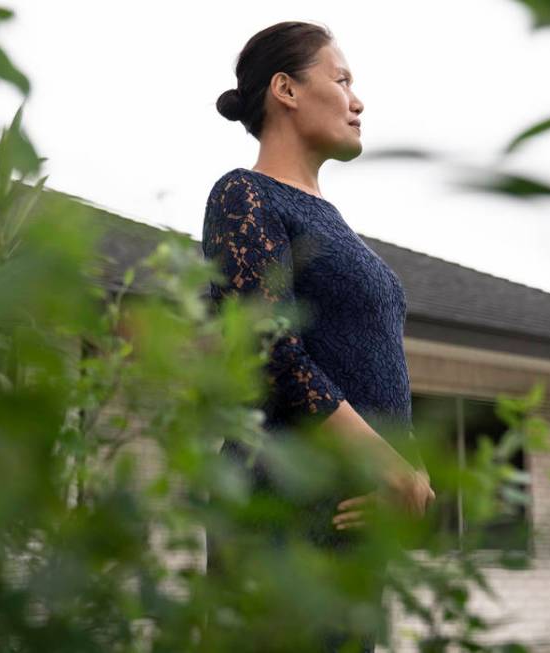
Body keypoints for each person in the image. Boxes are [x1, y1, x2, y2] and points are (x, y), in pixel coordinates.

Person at [201, 20, 436, 653]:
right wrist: (383, 458)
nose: (358, 101)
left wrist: (409, 476)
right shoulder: (243, 195)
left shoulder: (331, 220)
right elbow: (271, 348)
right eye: (342, 80)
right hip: (282, 500)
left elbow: (372, 362)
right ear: (286, 89)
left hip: (351, 509)